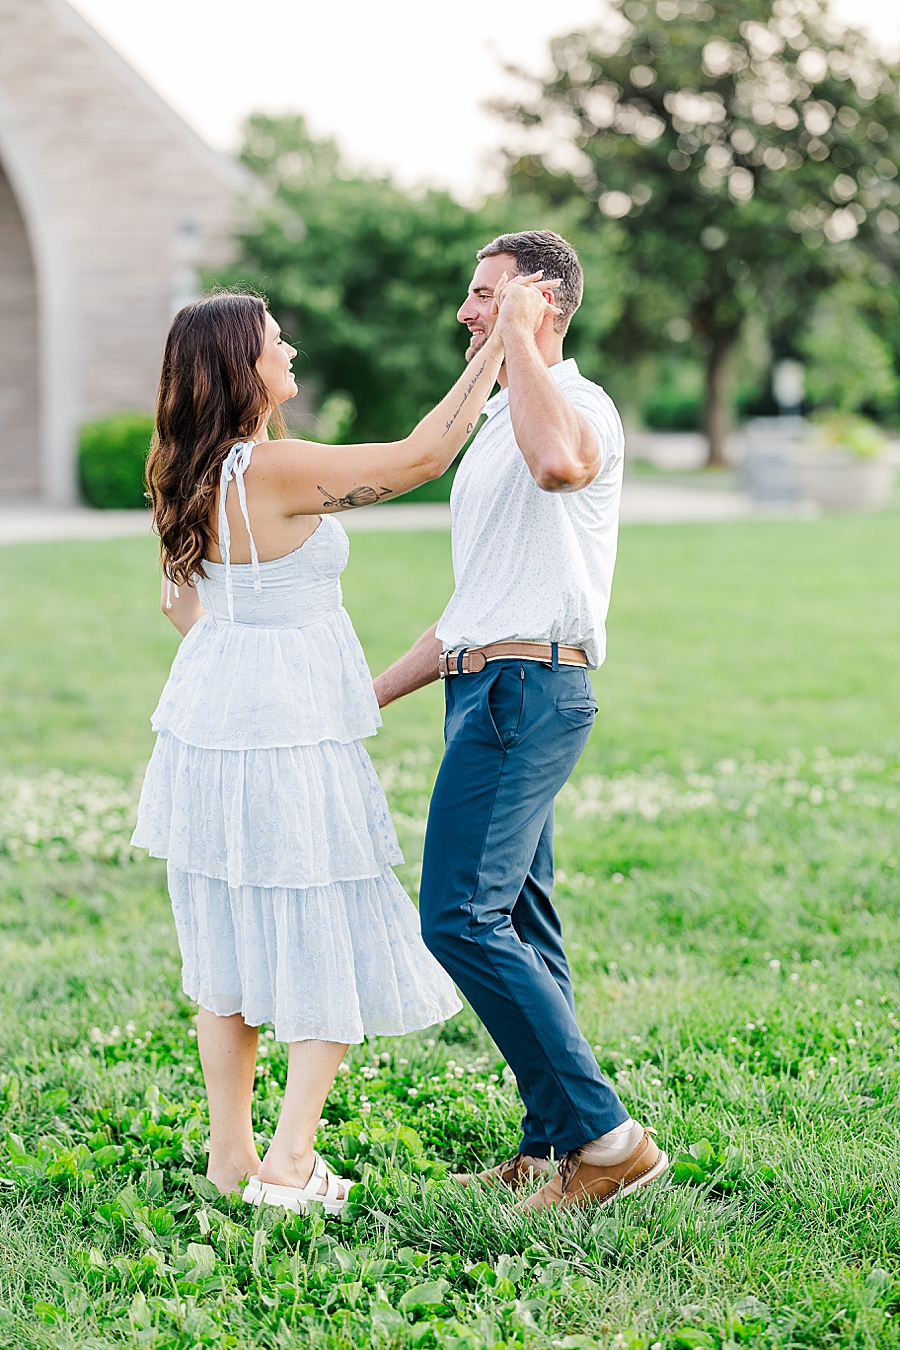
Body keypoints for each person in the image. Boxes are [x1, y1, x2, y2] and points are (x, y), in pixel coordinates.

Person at [132, 281, 554, 1213]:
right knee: (322, 926)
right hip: (287, 733)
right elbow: (419, 457)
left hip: (209, 726)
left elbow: (182, 606)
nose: (293, 354)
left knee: (229, 937)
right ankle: (289, 1163)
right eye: (277, 340)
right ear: (242, 365)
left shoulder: (187, 466)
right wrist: (505, 340)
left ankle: (230, 1156)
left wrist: (244, 660)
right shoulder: (268, 469)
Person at [373, 231, 669, 1211]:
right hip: (488, 685)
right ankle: (550, 1147)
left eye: (487, 295)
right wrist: (358, 700)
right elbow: (474, 612)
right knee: (518, 919)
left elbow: (560, 467)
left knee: (457, 913)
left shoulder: (572, 404)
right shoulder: (500, 418)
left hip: (530, 690)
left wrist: (522, 342)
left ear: (541, 300)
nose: (469, 311)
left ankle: (609, 1140)